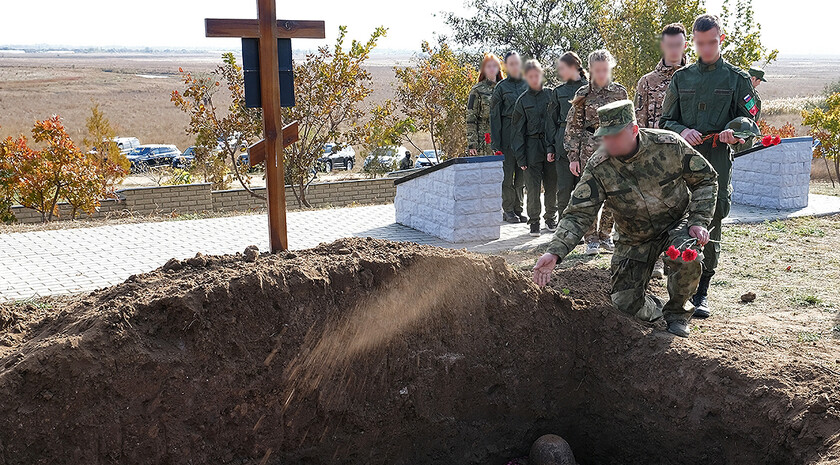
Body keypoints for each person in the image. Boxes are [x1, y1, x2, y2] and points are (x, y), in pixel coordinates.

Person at [533, 100, 718, 338]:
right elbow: (579, 213)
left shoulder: (670, 145)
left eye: (615, 136)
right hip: (634, 238)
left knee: (686, 255)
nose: (608, 143)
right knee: (624, 303)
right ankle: (660, 309)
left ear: (633, 129)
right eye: (604, 137)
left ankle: (677, 314)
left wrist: (698, 221)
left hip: (676, 224)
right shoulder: (599, 166)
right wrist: (555, 252)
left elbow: (707, 179)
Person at [660, 14, 758, 319]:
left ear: (721, 39)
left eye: (711, 42)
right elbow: (665, 122)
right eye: (700, 43)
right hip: (682, 162)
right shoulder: (682, 78)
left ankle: (702, 292)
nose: (706, 49)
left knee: (710, 222)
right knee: (676, 218)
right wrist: (681, 130)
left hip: (715, 162)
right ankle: (677, 287)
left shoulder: (736, 79)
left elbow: (750, 125)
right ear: (693, 42)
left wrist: (734, 134)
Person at [636, 22, 689, 279]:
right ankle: (655, 260)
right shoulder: (648, 82)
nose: (673, 50)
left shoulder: (695, 77)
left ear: (685, 45)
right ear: (663, 46)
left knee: (682, 210)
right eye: (669, 45)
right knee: (654, 210)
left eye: (678, 45)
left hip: (686, 156)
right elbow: (640, 122)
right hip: (655, 159)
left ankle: (677, 260)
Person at [564, 49, 628, 255]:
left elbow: (628, 123)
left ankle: (605, 235)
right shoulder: (583, 93)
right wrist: (573, 157)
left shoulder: (620, 92)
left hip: (615, 149)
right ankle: (590, 238)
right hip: (589, 148)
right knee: (590, 195)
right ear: (591, 69)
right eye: (597, 70)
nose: (601, 74)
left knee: (614, 195)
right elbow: (573, 127)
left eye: (605, 70)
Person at [512, 60, 557, 237]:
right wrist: (521, 157)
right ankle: (534, 222)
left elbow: (555, 122)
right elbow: (517, 131)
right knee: (532, 187)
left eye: (536, 75)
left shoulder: (551, 95)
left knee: (551, 185)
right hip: (531, 148)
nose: (534, 79)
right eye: (530, 76)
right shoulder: (522, 101)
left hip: (550, 146)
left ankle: (551, 217)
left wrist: (554, 147)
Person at [546, 51, 588, 213]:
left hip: (586, 143)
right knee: (563, 189)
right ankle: (563, 227)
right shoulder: (558, 92)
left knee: (584, 190)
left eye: (563, 68)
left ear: (574, 67)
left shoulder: (589, 89)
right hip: (562, 144)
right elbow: (551, 121)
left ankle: (583, 229)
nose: (560, 72)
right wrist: (550, 147)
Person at [490, 51, 529, 224]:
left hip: (524, 137)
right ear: (505, 66)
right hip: (506, 135)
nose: (515, 66)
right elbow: (494, 115)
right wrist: (496, 142)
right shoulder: (501, 87)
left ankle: (519, 209)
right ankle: (508, 210)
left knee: (521, 176)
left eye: (517, 63)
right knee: (507, 176)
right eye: (511, 64)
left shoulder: (528, 84)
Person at [467, 53, 504, 157]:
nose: (492, 69)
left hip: (503, 139)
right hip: (484, 141)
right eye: (488, 66)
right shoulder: (477, 90)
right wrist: (472, 143)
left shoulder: (505, 88)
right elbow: (471, 118)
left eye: (494, 65)